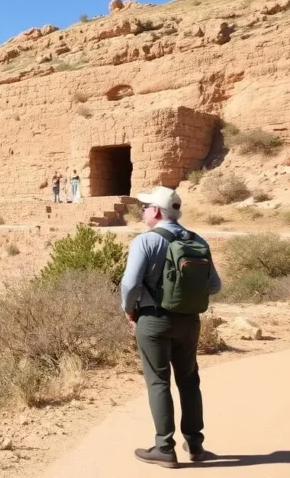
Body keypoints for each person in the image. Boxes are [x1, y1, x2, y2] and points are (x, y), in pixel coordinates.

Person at [120, 186, 222, 468]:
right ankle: (196, 444)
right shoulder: (197, 240)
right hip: (189, 321)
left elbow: (130, 284)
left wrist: (129, 310)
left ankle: (165, 447)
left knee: (158, 382)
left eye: (145, 207)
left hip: (153, 320)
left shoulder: (146, 241)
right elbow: (215, 284)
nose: (142, 211)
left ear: (155, 211)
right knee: (189, 380)